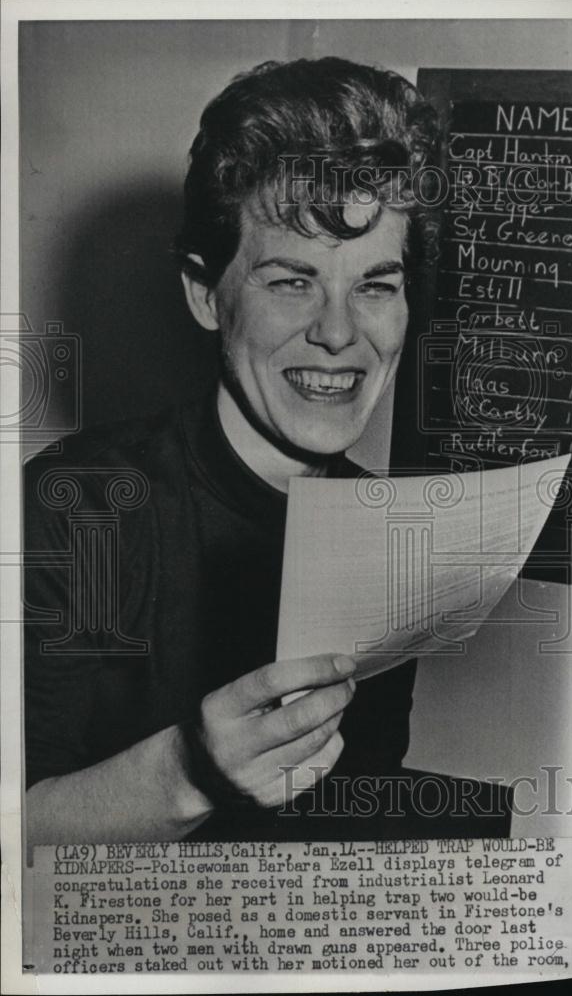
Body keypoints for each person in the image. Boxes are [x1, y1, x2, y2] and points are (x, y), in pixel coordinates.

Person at [24, 57, 510, 845]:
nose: (339, 332)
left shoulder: (395, 534)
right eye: (291, 281)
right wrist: (191, 771)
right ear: (204, 292)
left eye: (375, 286)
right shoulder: (78, 505)